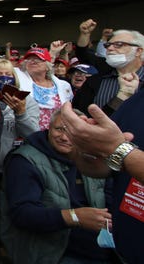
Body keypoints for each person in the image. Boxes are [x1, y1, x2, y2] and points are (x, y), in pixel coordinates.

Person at [1, 110, 112, 264]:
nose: (65, 137)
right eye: (59, 129)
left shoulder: (92, 159)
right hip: (54, 252)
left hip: (102, 248)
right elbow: (22, 214)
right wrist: (75, 217)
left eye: (72, 132)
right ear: (49, 127)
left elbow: (111, 198)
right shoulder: (25, 161)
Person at [60, 98, 144, 263]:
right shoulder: (135, 103)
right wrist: (88, 148)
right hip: (123, 250)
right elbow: (103, 168)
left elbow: (118, 151)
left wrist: (120, 150)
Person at [0, 58, 39, 256]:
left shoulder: (26, 100)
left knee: (9, 210)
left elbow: (34, 135)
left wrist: (21, 112)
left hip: (13, 167)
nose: (3, 79)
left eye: (7, 75)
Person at [72, 29, 143, 117]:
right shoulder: (95, 80)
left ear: (138, 51)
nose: (109, 48)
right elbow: (80, 117)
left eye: (118, 45)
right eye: (107, 45)